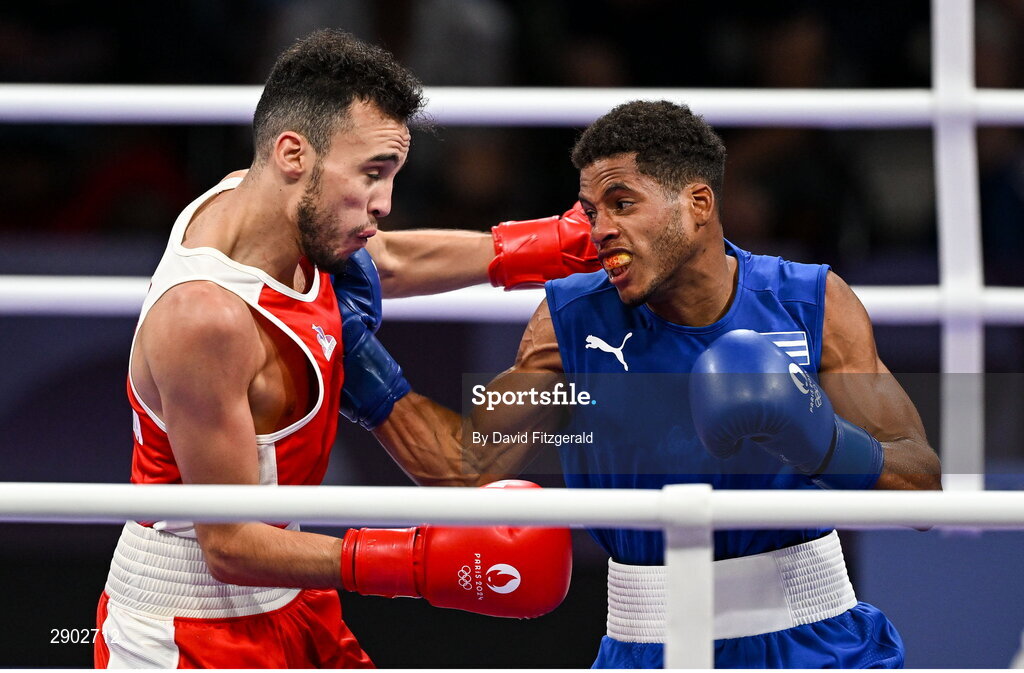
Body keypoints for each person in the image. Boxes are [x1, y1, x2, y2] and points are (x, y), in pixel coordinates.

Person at [353, 100, 943, 668]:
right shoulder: (571, 321)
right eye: (590, 210)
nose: (599, 229)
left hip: (813, 643)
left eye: (622, 203)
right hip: (644, 645)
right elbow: (466, 466)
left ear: (699, 203)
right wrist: (360, 362)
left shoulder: (809, 302)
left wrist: (825, 445)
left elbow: (922, 484)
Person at [94, 29, 593, 669]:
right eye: (373, 173)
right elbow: (229, 543)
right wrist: (414, 562)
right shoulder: (206, 318)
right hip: (191, 629)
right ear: (293, 154)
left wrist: (550, 247)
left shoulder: (256, 200)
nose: (385, 203)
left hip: (291, 599)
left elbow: (389, 259)